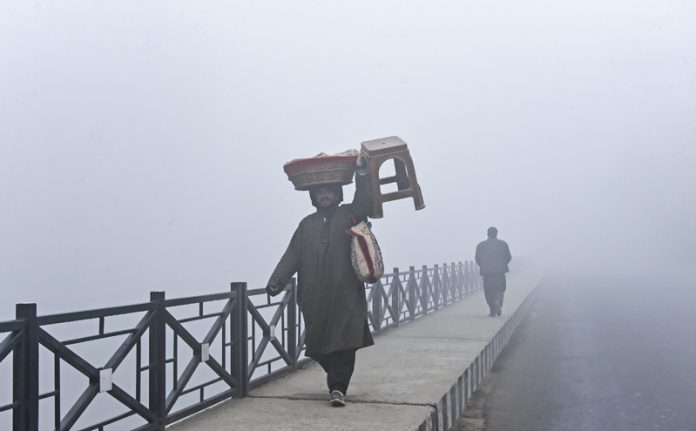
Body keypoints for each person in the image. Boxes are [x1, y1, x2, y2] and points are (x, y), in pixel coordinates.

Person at [266, 156, 374, 407]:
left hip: (347, 294)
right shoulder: (306, 225)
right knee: (319, 344)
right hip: (314, 297)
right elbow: (292, 255)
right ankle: (335, 377)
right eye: (320, 192)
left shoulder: (350, 214)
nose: (325, 195)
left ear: (338, 194)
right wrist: (276, 281)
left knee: (346, 341)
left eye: (329, 191)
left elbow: (366, 200)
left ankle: (337, 387)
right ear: (313, 197)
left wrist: (361, 173)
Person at [475, 227, 512, 317]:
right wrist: (502, 264)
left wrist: (484, 266)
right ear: (496, 234)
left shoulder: (481, 245)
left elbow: (477, 258)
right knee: (500, 289)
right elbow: (508, 257)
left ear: (487, 234)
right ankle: (498, 301)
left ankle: (492, 310)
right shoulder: (503, 244)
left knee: (488, 291)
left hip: (487, 273)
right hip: (500, 272)